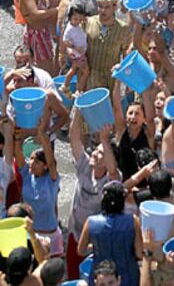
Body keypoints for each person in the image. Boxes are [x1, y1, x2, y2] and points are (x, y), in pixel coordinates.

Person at [66, 112, 120, 279]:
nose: (94, 154)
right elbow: (74, 138)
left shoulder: (110, 181)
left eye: (100, 153)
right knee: (73, 277)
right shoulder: (85, 165)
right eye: (95, 150)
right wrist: (78, 110)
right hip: (74, 234)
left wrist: (105, 140)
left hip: (94, 242)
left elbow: (113, 171)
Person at [77, 181, 141, 286]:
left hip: (101, 278)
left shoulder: (91, 222)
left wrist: (96, 245)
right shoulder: (133, 220)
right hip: (128, 276)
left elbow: (81, 250)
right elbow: (139, 253)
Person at [14, 122, 62, 256]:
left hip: (50, 235)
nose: (31, 163)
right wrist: (17, 135)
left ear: (45, 166)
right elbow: (17, 153)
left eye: (36, 161)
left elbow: (52, 162)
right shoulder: (27, 175)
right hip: (30, 234)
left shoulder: (52, 180)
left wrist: (43, 139)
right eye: (31, 159)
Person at [85, 0, 131, 90]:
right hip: (90, 76)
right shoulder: (88, 22)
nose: (103, 10)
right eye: (100, 6)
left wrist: (128, 80)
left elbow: (126, 54)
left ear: (114, 7)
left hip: (110, 78)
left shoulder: (122, 28)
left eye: (107, 7)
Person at [61, 4, 89, 94]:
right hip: (78, 54)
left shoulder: (77, 26)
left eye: (80, 19)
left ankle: (65, 85)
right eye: (75, 19)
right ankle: (78, 90)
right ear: (70, 18)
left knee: (74, 69)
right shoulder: (69, 29)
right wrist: (75, 48)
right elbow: (65, 41)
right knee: (85, 71)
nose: (78, 21)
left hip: (80, 53)